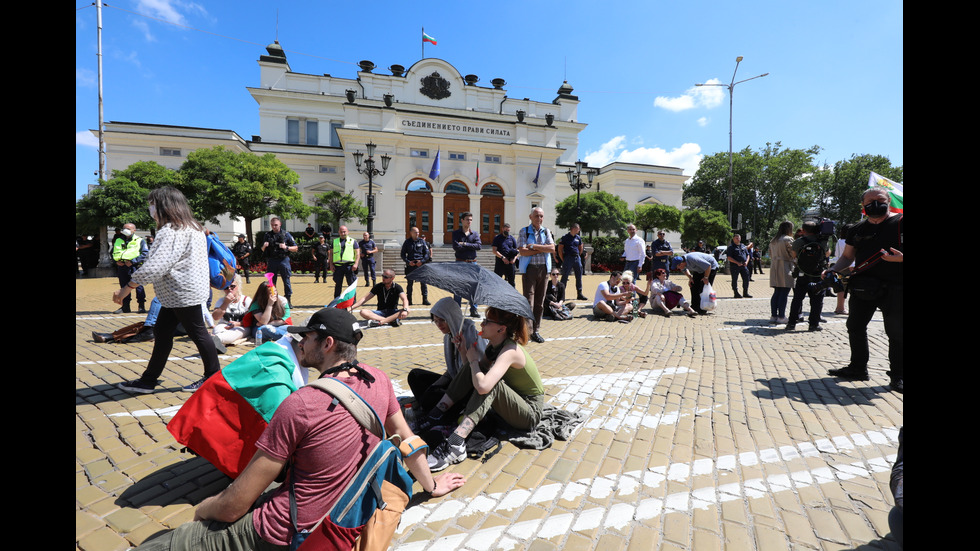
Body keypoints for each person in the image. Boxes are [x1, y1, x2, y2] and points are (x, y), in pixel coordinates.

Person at [133, 308, 466, 551]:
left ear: (328, 343)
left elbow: (235, 505)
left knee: (169, 543)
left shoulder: (302, 404)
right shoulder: (377, 379)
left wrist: (203, 507)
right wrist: (432, 485)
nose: (299, 342)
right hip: (346, 516)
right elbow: (407, 440)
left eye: (307, 336)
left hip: (286, 530)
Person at [115, 187, 220, 394]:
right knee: (163, 332)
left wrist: (126, 288)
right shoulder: (193, 227)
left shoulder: (172, 230)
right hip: (181, 292)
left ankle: (213, 376)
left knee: (197, 332)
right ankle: (148, 380)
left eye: (152, 203)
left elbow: (156, 266)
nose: (150, 208)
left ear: (165, 205)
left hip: (181, 292)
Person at [424, 307, 546, 471]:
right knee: (477, 371)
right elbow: (473, 375)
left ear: (501, 329)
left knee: (491, 383)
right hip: (513, 402)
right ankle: (435, 415)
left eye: (487, 321)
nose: (481, 324)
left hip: (529, 412)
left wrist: (473, 361)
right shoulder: (493, 347)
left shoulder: (510, 350)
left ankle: (456, 444)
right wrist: (464, 352)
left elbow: (483, 387)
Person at [825, 187, 903, 392]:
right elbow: (847, 257)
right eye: (870, 201)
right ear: (863, 205)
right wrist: (833, 269)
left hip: (896, 286)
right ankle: (858, 368)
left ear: (888, 201)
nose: (875, 203)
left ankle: (898, 376)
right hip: (863, 286)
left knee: (896, 333)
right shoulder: (857, 229)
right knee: (855, 326)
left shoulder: (900, 223)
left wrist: (901, 258)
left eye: (880, 199)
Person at [408, 297, 487, 416]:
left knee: (429, 398)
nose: (439, 325)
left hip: (468, 392)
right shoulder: (450, 335)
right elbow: (451, 371)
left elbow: (469, 378)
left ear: (452, 318)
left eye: (442, 320)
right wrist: (434, 386)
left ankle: (440, 409)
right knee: (415, 376)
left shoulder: (472, 338)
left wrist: (462, 351)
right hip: (455, 381)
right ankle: (428, 404)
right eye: (435, 321)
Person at [517, 207, 555, 343]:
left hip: (544, 270)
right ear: (530, 217)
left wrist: (533, 246)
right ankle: (527, 331)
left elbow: (552, 248)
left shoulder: (546, 231)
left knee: (539, 303)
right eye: (536, 216)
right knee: (528, 302)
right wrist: (541, 249)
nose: (539, 218)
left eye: (541, 216)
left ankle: (536, 330)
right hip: (529, 269)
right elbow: (522, 251)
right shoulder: (524, 231)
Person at [786, 221, 829, 331]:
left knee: (797, 299)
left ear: (804, 230)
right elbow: (827, 254)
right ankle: (814, 324)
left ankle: (791, 323)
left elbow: (794, 255)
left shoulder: (799, 242)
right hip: (818, 274)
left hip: (803, 273)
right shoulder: (823, 241)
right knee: (817, 300)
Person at [111, 222, 149, 314]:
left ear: (134, 230)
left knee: (138, 286)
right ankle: (125, 307)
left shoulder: (140, 240)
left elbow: (145, 253)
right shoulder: (118, 240)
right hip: (122, 266)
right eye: (124, 228)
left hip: (134, 266)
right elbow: (114, 252)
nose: (126, 230)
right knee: (124, 286)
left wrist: (133, 261)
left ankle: (141, 306)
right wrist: (116, 261)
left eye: (128, 229)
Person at [452, 212, 482, 317]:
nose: (469, 222)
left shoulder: (475, 234)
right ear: (462, 220)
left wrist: (464, 244)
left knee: (474, 287)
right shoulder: (456, 233)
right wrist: (470, 246)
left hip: (473, 263)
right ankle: (456, 311)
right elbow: (456, 247)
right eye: (467, 219)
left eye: (470, 220)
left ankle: (474, 310)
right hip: (460, 262)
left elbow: (478, 246)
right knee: (458, 288)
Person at [261, 217, 297, 303]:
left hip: (283, 260)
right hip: (272, 260)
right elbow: (262, 249)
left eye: (276, 225)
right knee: (271, 282)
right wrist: (264, 246)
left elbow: (296, 248)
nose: (274, 227)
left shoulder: (286, 234)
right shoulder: (267, 235)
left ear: (280, 224)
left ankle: (288, 300)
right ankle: (273, 299)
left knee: (286, 281)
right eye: (272, 225)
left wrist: (286, 247)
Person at [246, 280, 292, 345]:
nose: (274, 294)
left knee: (290, 328)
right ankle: (291, 338)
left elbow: (285, 319)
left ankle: (291, 336)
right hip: (259, 330)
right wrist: (269, 305)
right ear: (264, 294)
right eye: (271, 292)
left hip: (277, 326)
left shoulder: (282, 300)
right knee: (266, 328)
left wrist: (269, 323)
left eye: (275, 291)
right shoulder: (256, 304)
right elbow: (264, 321)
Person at [210, 275, 253, 346]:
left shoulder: (246, 300)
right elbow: (215, 317)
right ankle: (218, 342)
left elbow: (251, 319)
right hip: (224, 325)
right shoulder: (221, 301)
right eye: (226, 288)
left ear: (238, 286)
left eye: (232, 286)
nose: (229, 289)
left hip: (241, 326)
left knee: (236, 332)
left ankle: (214, 340)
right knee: (217, 329)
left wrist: (238, 324)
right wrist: (226, 303)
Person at [768, 221, 795, 324]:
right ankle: (781, 316)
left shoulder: (773, 240)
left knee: (776, 292)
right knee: (784, 292)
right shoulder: (788, 239)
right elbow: (793, 253)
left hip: (774, 266)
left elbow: (770, 254)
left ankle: (773, 315)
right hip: (785, 266)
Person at [401, 227, 431, 306]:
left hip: (420, 265)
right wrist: (408, 262)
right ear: (411, 233)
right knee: (410, 284)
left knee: (423, 283)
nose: (417, 234)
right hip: (411, 265)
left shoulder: (422, 241)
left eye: (418, 232)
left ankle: (425, 299)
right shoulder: (407, 242)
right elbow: (402, 254)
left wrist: (422, 261)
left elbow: (427, 253)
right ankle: (409, 300)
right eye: (415, 232)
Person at [558, 223, 588, 300]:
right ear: (574, 228)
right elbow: (560, 249)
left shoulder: (578, 238)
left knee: (579, 276)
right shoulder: (565, 237)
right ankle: (561, 295)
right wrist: (563, 259)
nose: (579, 230)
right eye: (578, 228)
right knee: (565, 276)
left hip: (576, 258)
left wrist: (578, 255)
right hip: (568, 258)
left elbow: (580, 247)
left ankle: (579, 293)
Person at [328, 225, 360, 299]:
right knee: (338, 285)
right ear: (339, 232)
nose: (343, 233)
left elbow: (357, 254)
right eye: (341, 232)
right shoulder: (335, 241)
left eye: (344, 231)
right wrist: (331, 265)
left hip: (350, 266)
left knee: (351, 285)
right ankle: (336, 301)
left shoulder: (353, 241)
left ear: (347, 232)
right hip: (338, 266)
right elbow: (331, 254)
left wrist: (356, 264)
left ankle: (352, 301)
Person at [832, 223, 855, 315]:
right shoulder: (851, 242)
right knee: (852, 289)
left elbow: (837, 255)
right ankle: (851, 309)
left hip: (840, 267)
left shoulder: (839, 241)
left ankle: (840, 307)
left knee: (841, 288)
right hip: (851, 267)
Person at [492, 222, 518, 287]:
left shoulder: (512, 238)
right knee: (497, 281)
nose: (507, 231)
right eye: (506, 230)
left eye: (508, 230)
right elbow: (494, 250)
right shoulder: (497, 238)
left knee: (511, 281)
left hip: (510, 262)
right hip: (500, 261)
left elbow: (517, 250)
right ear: (502, 229)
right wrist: (502, 257)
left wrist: (514, 259)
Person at [726, 234, 752, 298]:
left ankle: (745, 292)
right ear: (733, 239)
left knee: (746, 278)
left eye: (739, 238)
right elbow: (729, 257)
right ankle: (736, 293)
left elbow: (747, 255)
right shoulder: (731, 247)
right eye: (736, 238)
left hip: (744, 265)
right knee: (735, 279)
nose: (738, 239)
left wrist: (746, 262)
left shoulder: (743, 246)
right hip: (735, 266)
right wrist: (737, 262)